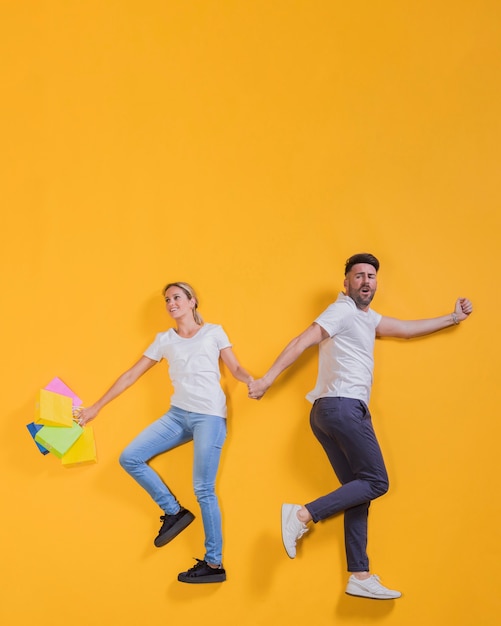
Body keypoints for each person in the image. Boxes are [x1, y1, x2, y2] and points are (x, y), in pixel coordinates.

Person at [248, 253, 473, 600]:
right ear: (346, 283)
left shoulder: (366, 318)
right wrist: (267, 380)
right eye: (358, 276)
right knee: (377, 481)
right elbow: (302, 341)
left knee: (359, 491)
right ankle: (303, 514)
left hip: (327, 413)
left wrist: (453, 317)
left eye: (371, 276)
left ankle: (359, 574)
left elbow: (407, 330)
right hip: (343, 407)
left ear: (376, 282)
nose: (366, 281)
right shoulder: (340, 310)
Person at [77, 281, 252, 584]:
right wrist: (96, 407)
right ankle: (174, 511)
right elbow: (131, 374)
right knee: (129, 457)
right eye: (167, 300)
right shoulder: (164, 340)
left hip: (208, 417)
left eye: (177, 297)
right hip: (177, 416)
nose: (172, 303)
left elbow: (234, 368)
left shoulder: (214, 332)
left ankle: (214, 564)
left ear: (192, 302)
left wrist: (252, 380)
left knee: (204, 490)